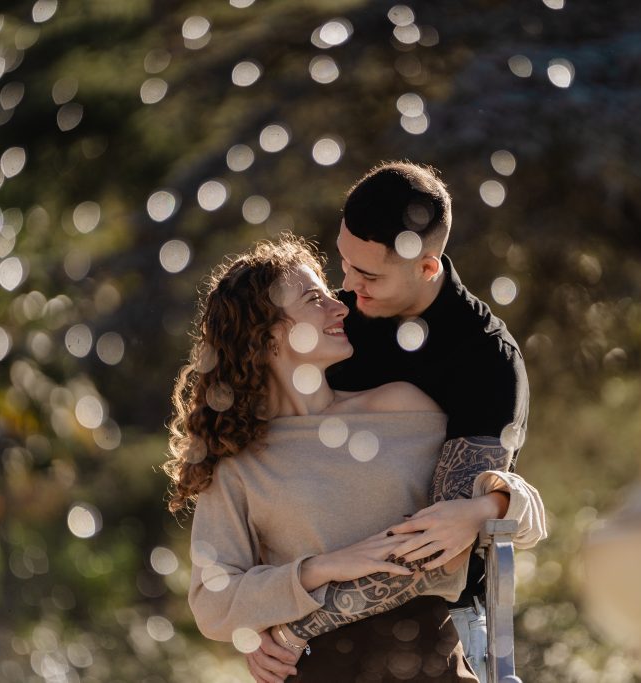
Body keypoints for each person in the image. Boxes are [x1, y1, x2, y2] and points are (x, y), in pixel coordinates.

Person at [168, 237, 540, 682]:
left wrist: (488, 506)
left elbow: (523, 512)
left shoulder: (402, 406)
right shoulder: (238, 462)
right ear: (268, 339)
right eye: (314, 300)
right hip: (315, 669)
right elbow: (213, 602)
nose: (340, 307)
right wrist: (321, 569)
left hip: (428, 660)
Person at [247, 161, 543, 683]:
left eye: (369, 275)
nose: (346, 287)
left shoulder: (486, 363)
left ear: (427, 268)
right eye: (343, 263)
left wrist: (293, 628)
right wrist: (257, 618)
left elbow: (430, 550)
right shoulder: (332, 325)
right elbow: (263, 474)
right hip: (310, 642)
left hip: (434, 637)